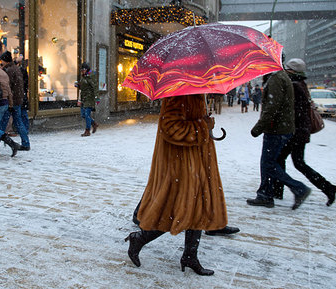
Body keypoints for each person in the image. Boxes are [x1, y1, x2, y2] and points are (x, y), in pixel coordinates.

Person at [125, 94, 230, 276]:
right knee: (174, 212)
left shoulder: (196, 92)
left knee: (198, 208)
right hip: (181, 163)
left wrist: (204, 123)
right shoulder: (177, 95)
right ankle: (139, 239)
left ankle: (190, 256)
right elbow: (170, 127)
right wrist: (202, 127)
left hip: (196, 160)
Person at [272, 58, 336, 206]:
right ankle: (327, 188)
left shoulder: (294, 86)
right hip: (300, 131)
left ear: (292, 71)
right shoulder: (300, 83)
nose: (285, 71)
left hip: (296, 132)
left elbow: (295, 111)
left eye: (287, 69)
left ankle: (325, 188)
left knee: (288, 162)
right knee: (290, 161)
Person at [246, 69, 311, 210]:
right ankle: (265, 195)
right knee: (268, 163)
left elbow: (272, 107)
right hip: (280, 128)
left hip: (276, 130)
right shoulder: (280, 76)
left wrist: (258, 128)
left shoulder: (276, 78)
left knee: (268, 164)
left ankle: (299, 188)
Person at [0, 51, 30, 151]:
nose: (1, 62)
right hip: (17, 101)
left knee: (2, 123)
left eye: (2, 60)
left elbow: (7, 86)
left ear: (5, 60)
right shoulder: (16, 69)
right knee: (18, 122)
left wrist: (7, 98)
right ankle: (26, 143)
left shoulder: (9, 70)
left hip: (11, 101)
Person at [75, 62, 98, 137]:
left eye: (84, 70)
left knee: (87, 114)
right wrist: (78, 85)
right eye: (81, 70)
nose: (82, 71)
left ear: (87, 69)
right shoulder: (83, 77)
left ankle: (87, 131)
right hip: (83, 98)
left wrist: (97, 97)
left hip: (89, 98)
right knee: (83, 114)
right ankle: (94, 124)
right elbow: (83, 86)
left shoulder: (91, 77)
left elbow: (95, 87)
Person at [15, 55, 30, 134]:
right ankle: (24, 130)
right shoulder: (23, 71)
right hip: (22, 96)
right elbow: (26, 84)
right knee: (22, 114)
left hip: (18, 96)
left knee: (19, 114)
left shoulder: (19, 71)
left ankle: (22, 130)